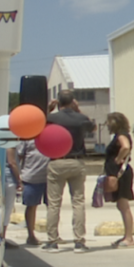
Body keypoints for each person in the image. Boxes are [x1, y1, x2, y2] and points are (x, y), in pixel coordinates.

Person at [44, 91, 95, 253]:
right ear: (73, 101)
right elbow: (92, 127)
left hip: (57, 161)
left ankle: (52, 241)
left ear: (58, 102)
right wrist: (78, 110)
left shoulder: (52, 118)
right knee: (78, 202)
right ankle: (79, 241)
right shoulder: (80, 118)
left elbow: (37, 125)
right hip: (76, 160)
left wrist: (48, 109)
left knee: (54, 203)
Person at [104, 112, 134, 248]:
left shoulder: (121, 135)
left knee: (123, 205)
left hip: (121, 174)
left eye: (109, 122)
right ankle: (126, 236)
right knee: (121, 205)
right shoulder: (119, 135)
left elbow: (126, 146)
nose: (107, 125)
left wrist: (117, 159)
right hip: (118, 173)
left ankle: (129, 238)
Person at [15, 138, 50, 246]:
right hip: (30, 178)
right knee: (31, 206)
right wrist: (18, 177)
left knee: (53, 207)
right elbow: (19, 157)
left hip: (50, 177)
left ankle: (54, 235)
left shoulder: (50, 134)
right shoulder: (27, 138)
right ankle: (31, 235)